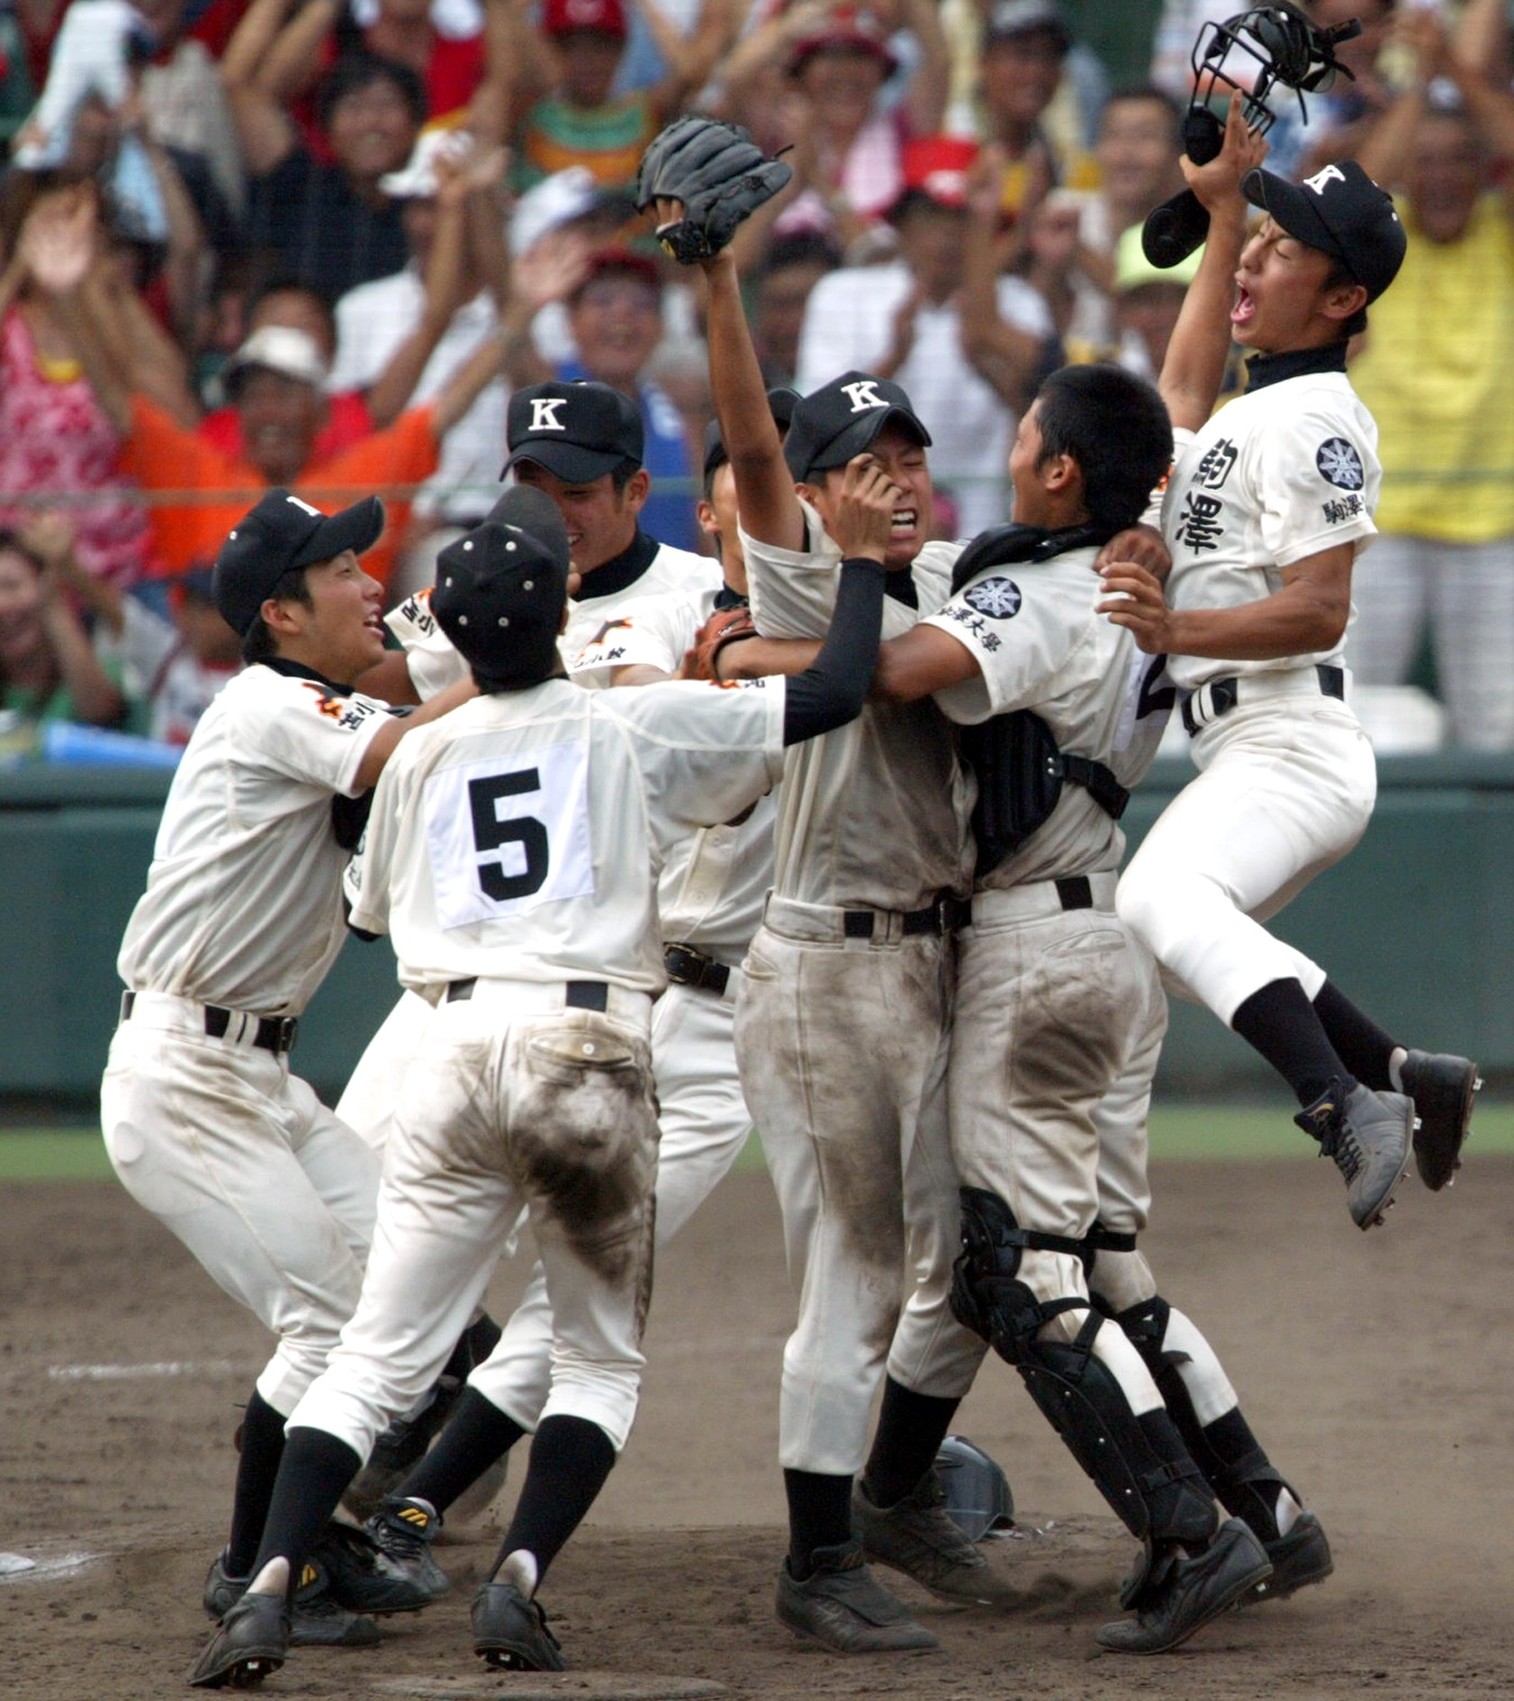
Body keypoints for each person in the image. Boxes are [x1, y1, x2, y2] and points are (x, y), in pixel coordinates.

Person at [185, 471, 897, 1689]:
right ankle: (515, 1582)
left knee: (372, 1359)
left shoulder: (419, 750)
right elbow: (832, 691)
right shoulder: (633, 718)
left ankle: (265, 1586)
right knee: (597, 1360)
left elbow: (365, 914)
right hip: (590, 1051)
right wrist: (868, 564)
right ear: (559, 612)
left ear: (452, 633)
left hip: (454, 1049)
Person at [861, 360, 1297, 1652]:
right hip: (1101, 935)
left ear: (1059, 469)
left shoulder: (1036, 584)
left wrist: (789, 628)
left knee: (1019, 1272)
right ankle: (1264, 1503)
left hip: (1028, 951)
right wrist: (1215, 208)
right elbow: (1150, 410)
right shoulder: (1134, 561)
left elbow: (896, 676)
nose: (1011, 445)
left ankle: (1185, 1528)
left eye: (1030, 432)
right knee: (1102, 1263)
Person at [353, 401, 793, 1568]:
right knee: (352, 1204)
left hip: (693, 998)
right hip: (503, 984)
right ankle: (383, 1431)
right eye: (533, 482)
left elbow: (835, 686)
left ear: (631, 493)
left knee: (580, 1306)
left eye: (578, 486)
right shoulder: (493, 589)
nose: (555, 508)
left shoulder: (709, 601)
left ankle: (408, 1508)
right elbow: (380, 679)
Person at [683, 212, 1005, 1654]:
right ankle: (818, 1554)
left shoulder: (935, 590)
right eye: (865, 465)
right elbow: (752, 453)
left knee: (970, 1260)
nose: (900, 481)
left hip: (927, 962)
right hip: (823, 967)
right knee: (856, 1271)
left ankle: (889, 1491)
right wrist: (717, 278)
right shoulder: (810, 575)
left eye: (912, 456)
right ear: (813, 498)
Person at [99, 488, 478, 1656]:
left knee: (406, 1278)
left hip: (259, 1077)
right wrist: (515, 669)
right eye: (342, 571)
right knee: (326, 1324)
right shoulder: (265, 701)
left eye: (368, 566)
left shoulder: (313, 706)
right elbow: (403, 741)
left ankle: (310, 1536)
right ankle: (256, 1565)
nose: (370, 584)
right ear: (280, 610)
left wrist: (451, 663)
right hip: (183, 1076)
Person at [1098, 97, 1480, 1226]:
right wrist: (1222, 217)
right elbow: (1172, 397)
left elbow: (1316, 611)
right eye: (1257, 246)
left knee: (1159, 894)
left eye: (1282, 249)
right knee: (1166, 934)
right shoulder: (1241, 413)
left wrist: (1172, 633)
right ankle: (1404, 1072)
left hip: (1289, 738)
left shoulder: (1316, 418)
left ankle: (1341, 1099)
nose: (1258, 262)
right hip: (1245, 744)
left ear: (1344, 295)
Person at [23, 185, 505, 594]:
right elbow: (118, 395)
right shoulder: (204, 471)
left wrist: (518, 307)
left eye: (285, 391)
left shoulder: (358, 471)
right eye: (254, 394)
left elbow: (447, 396)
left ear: (320, 409)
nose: (267, 410)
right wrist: (68, 296)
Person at [1346, 10, 1514, 750]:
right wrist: (1423, 87)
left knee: (1499, 729)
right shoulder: (1383, 242)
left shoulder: (1503, 232)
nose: (1442, 175)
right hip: (1385, 519)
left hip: (1492, 520)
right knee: (1350, 716)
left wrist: (1452, 64)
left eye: (1459, 160)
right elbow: (1354, 190)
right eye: (1429, 160)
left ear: (1482, 170)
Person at [795, 133, 1054, 534]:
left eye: (959, 219)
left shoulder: (1019, 304)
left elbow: (1049, 431)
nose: (947, 236)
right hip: (866, 528)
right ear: (901, 224)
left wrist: (989, 369)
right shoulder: (843, 293)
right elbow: (810, 427)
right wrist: (889, 364)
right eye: (932, 217)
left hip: (986, 532)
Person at [0, 513, 128, 731]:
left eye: (12, 586)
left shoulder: (102, 667)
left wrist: (53, 605)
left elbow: (100, 713)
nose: (3, 606)